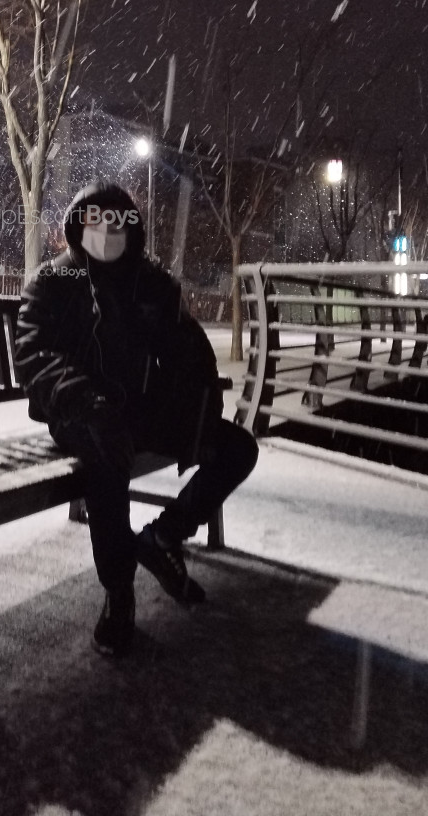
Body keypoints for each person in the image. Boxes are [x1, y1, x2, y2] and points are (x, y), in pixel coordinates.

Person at [14, 181, 258, 657]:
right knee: (107, 452)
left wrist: (201, 400)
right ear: (77, 225)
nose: (106, 232)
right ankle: (119, 591)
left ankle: (164, 537)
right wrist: (86, 398)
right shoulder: (54, 281)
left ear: (132, 229)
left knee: (237, 448)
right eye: (95, 221)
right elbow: (33, 354)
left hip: (140, 411)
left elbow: (189, 347)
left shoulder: (150, 284)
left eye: (117, 222)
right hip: (78, 414)